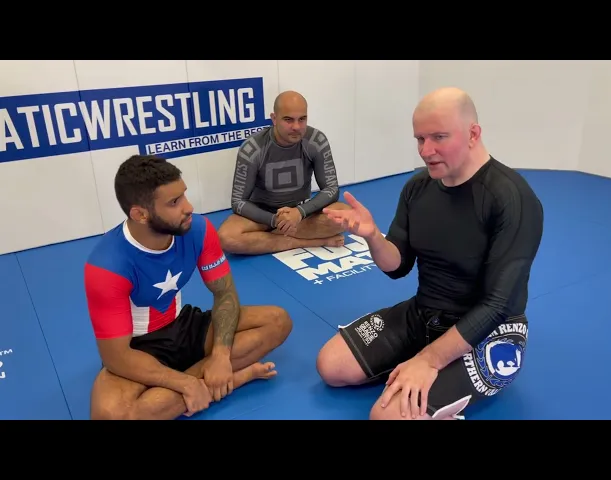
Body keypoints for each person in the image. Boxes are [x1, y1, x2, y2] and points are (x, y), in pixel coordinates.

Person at [315, 87, 544, 420]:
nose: (426, 150)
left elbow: (497, 306)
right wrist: (373, 237)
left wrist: (428, 360)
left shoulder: (512, 199)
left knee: (386, 415)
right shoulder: (418, 188)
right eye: (420, 139)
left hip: (489, 332)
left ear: (473, 134)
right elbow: (398, 265)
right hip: (425, 314)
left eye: (438, 137)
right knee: (331, 366)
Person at [84, 154, 293, 420]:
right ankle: (228, 380)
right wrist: (186, 383)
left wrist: (220, 355)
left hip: (184, 326)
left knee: (277, 321)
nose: (189, 207)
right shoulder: (107, 265)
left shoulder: (198, 229)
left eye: (183, 195)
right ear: (140, 214)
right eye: (174, 202)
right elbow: (116, 357)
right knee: (111, 416)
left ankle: (206, 382)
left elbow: (224, 293)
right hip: (138, 348)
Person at [217, 90, 350, 255]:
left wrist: (299, 212)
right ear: (274, 119)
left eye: (302, 119)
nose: (296, 127)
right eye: (288, 120)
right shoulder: (253, 148)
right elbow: (238, 202)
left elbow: (331, 189)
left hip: (301, 214)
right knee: (226, 237)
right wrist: (275, 220)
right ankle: (307, 241)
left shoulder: (316, 140)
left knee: (346, 216)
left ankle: (268, 239)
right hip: (262, 216)